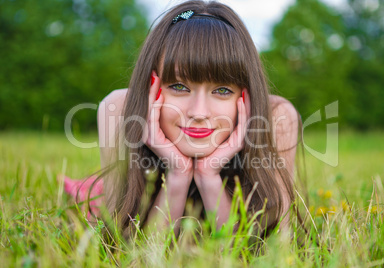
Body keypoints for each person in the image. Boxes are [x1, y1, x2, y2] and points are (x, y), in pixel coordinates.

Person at [61, 0, 301, 240]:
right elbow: (129, 253)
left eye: (222, 90)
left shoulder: (277, 117)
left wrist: (208, 176)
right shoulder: (119, 108)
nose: (198, 112)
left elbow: (276, 248)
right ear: (152, 87)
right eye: (179, 86)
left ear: (246, 94)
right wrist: (178, 174)